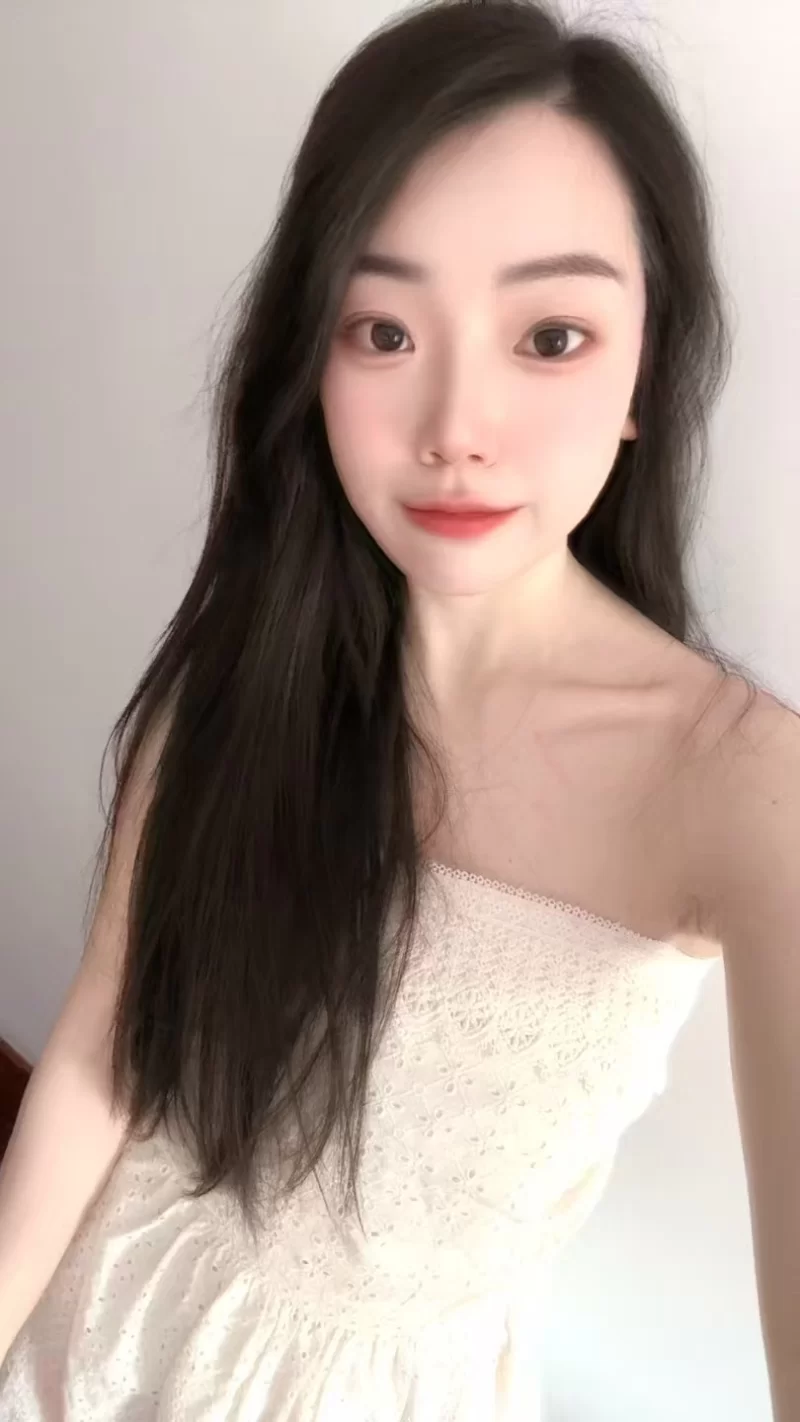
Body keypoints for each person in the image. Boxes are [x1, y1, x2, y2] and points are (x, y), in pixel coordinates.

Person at [1, 1, 798, 1418]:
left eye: (550, 335)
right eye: (383, 329)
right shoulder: (254, 662)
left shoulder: (738, 781)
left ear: (645, 369)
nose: (454, 428)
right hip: (108, 1312)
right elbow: (105, 1046)